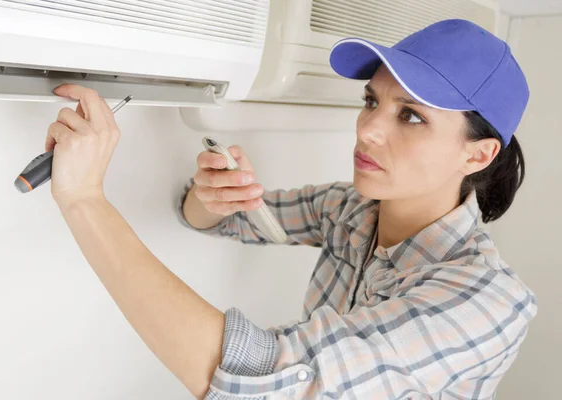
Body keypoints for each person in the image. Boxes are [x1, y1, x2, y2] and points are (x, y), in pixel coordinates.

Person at [46, 19, 537, 399]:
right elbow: (215, 218)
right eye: (371, 101)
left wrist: (84, 198)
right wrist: (213, 194)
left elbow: (260, 376)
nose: (367, 129)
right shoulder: (351, 209)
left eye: (410, 116)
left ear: (477, 154)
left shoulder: (489, 301)